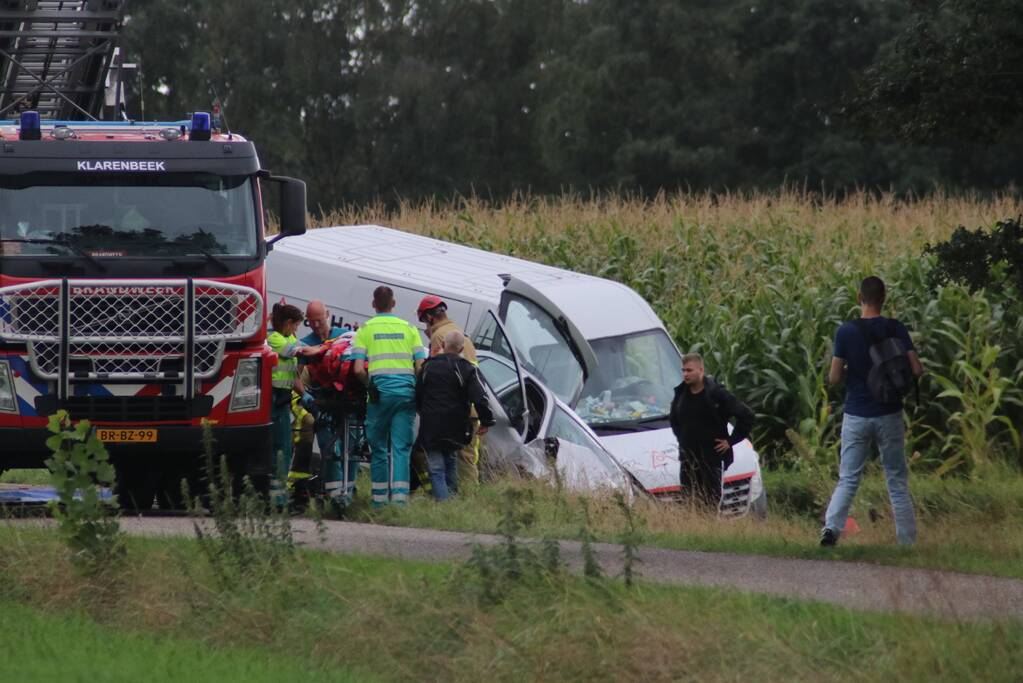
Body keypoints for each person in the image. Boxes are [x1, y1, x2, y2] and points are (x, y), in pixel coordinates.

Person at [820, 276, 923, 547]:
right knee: (896, 479)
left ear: (859, 298)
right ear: (883, 298)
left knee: (848, 477)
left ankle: (831, 529)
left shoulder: (846, 332)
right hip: (889, 413)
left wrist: (850, 369)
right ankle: (907, 542)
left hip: (857, 413)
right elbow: (917, 369)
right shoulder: (896, 328)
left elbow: (833, 378)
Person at [351, 286, 426, 507]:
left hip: (379, 396)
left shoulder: (365, 330)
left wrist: (370, 386)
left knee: (379, 449)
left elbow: (358, 369)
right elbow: (421, 366)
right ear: (394, 303)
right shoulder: (410, 329)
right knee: (401, 448)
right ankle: (400, 502)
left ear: (373, 304)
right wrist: (412, 385)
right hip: (405, 395)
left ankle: (379, 501)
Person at [416, 330, 496, 501]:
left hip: (431, 426)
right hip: (456, 427)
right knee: (451, 462)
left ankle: (444, 505)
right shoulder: (467, 368)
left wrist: (423, 412)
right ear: (461, 349)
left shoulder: (428, 366)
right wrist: (486, 421)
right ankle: (451, 503)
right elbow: (480, 397)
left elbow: (418, 394)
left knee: (436, 469)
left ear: (443, 345)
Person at [668, 353, 754, 508]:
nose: (685, 374)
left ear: (701, 370)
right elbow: (674, 420)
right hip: (687, 460)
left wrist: (730, 441)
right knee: (689, 503)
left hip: (710, 459)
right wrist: (683, 440)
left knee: (710, 504)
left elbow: (747, 416)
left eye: (689, 370)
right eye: (683, 370)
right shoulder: (681, 393)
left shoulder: (716, 394)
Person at [416, 294, 483, 486]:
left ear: (429, 317)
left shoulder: (440, 336)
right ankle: (469, 495)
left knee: (447, 457)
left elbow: (435, 375)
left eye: (424, 321)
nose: (425, 326)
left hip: (454, 411)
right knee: (468, 457)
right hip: (470, 409)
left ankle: (447, 494)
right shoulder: (460, 334)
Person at [299, 300, 358, 507]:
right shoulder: (305, 344)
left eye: (319, 320)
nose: (316, 325)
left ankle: (349, 492)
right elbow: (295, 375)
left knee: (351, 449)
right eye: (311, 321)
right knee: (330, 449)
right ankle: (336, 498)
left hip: (348, 401)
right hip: (322, 404)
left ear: (328, 315)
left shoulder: (344, 335)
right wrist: (305, 396)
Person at [267, 303, 321, 507]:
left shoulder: (289, 338)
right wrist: (323, 348)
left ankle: (279, 496)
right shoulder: (274, 339)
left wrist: (304, 395)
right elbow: (298, 352)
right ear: (288, 323)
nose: (297, 329)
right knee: (278, 448)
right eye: (296, 325)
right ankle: (276, 499)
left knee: (285, 448)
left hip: (283, 400)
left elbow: (294, 375)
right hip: (272, 399)